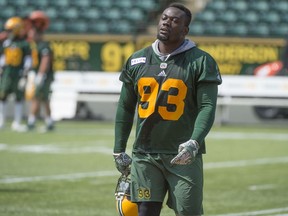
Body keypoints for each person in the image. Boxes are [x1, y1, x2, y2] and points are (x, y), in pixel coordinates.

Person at [113, 3, 222, 216]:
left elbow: (207, 106)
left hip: (183, 154)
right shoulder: (137, 60)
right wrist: (119, 149)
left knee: (188, 212)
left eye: (174, 20)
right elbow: (125, 107)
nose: (166, 22)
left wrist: (194, 141)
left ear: (185, 30)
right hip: (145, 154)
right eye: (164, 17)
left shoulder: (200, 61)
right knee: (145, 211)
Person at [0, 16, 32, 132]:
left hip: (18, 73)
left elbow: (28, 60)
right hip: (7, 72)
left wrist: (25, 74)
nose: (8, 32)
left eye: (10, 30)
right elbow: (3, 57)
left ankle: (17, 122)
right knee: (2, 96)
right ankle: (1, 121)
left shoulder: (24, 44)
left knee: (19, 97)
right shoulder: (6, 43)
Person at [26, 10, 55, 132]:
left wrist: (40, 75)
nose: (30, 35)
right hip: (41, 75)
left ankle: (31, 122)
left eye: (32, 33)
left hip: (44, 76)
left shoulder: (43, 45)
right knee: (43, 99)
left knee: (37, 97)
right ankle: (49, 122)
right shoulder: (34, 46)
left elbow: (45, 61)